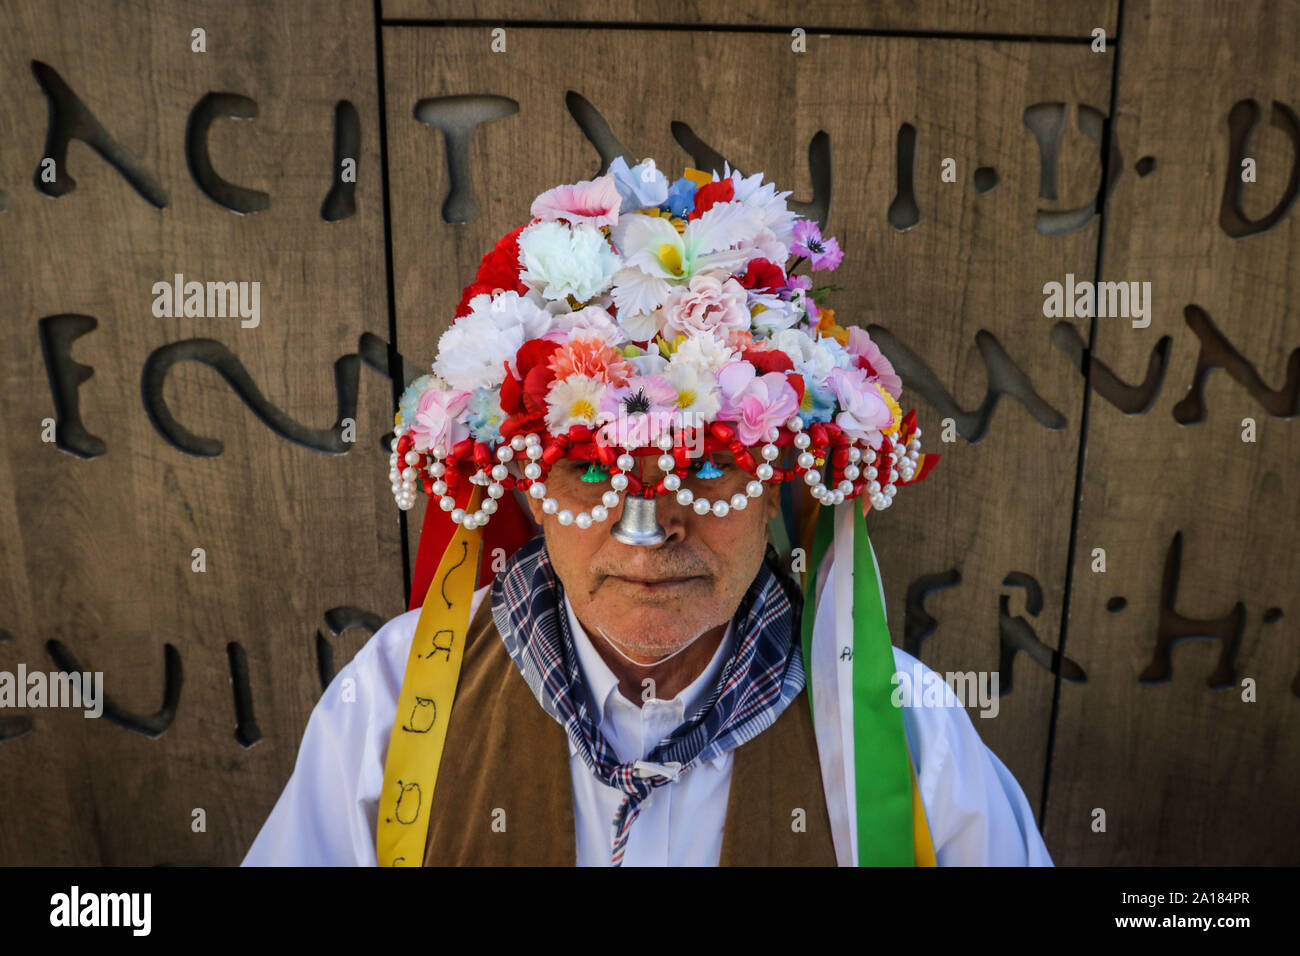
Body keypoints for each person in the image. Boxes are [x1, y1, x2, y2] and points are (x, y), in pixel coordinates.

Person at [243, 159, 1052, 867]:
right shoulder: (392, 701)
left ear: (774, 482)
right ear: (528, 484)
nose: (649, 528)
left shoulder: (909, 733)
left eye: (705, 464)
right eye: (592, 470)